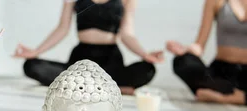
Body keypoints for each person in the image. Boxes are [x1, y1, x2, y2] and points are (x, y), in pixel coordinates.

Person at [14, 0, 164, 95]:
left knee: (147, 69)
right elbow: (62, 28)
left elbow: (127, 35)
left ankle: (81, 86)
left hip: (110, 59)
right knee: (32, 65)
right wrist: (36, 51)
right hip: (81, 57)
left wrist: (145, 55)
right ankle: (110, 87)